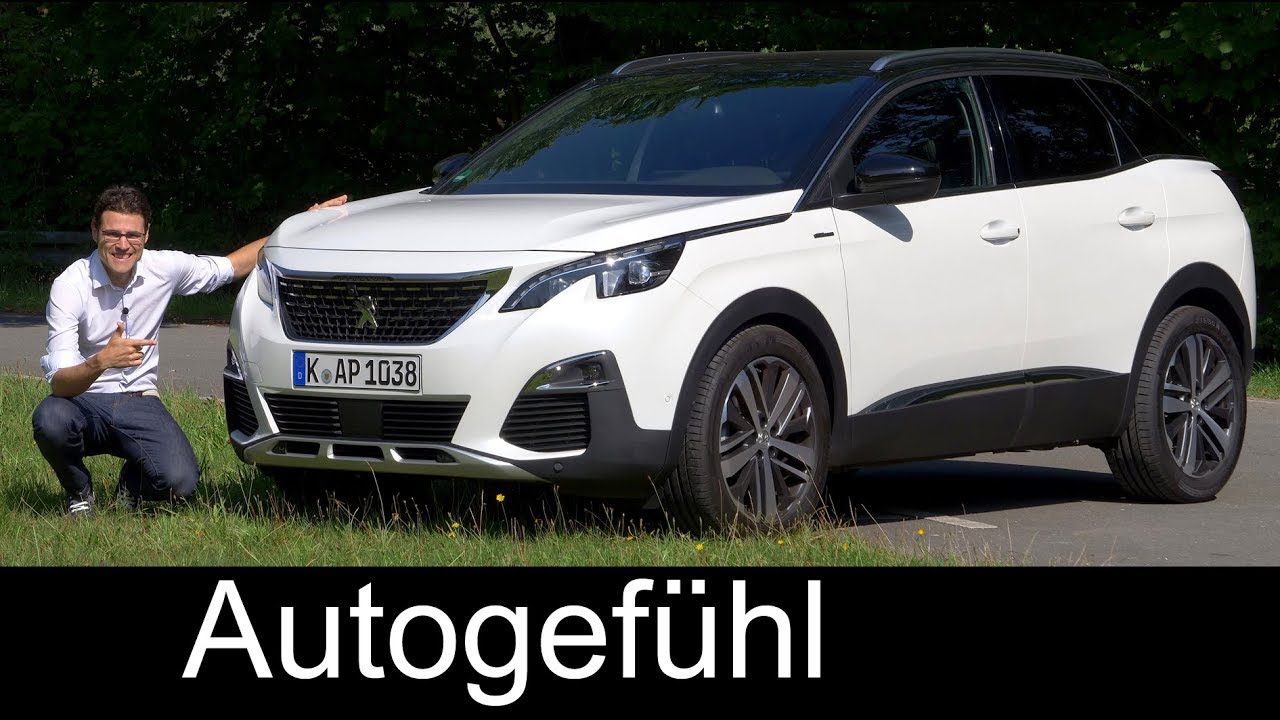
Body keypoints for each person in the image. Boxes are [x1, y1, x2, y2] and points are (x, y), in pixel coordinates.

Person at [31, 185, 348, 517]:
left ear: (146, 235)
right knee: (50, 419)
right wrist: (101, 361)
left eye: (132, 235)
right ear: (95, 231)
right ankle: (79, 491)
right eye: (112, 234)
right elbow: (60, 384)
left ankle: (132, 485)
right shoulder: (70, 285)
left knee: (180, 482)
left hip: (139, 401)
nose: (123, 244)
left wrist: (299, 224)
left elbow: (231, 266)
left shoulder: (164, 267)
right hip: (82, 401)